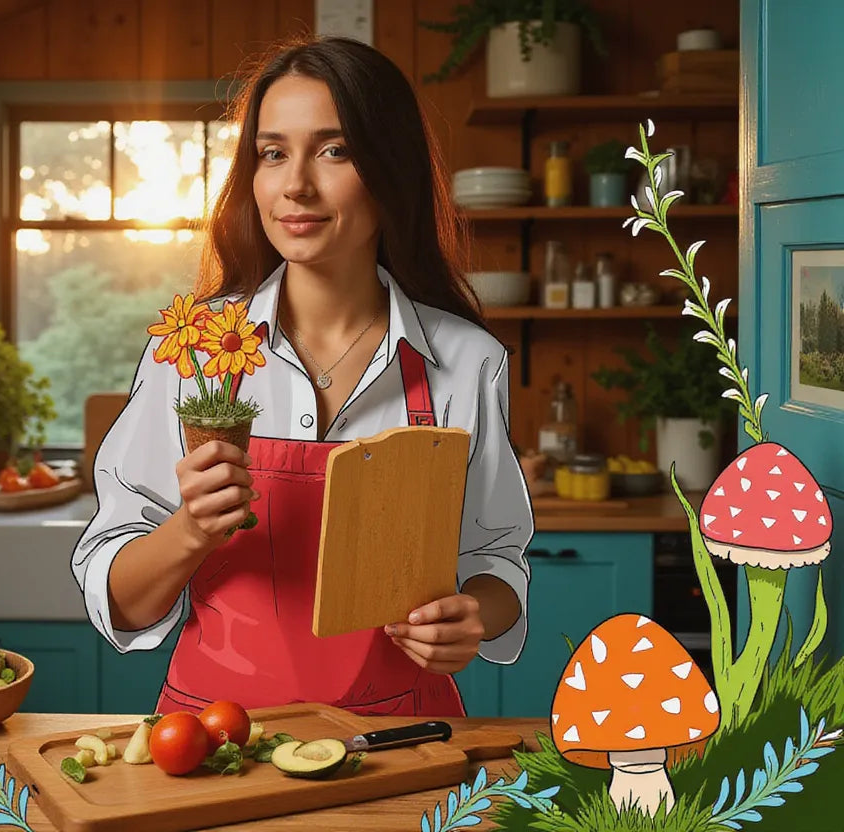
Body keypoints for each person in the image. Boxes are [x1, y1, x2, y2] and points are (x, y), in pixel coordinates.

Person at [71, 34, 534, 718]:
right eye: (273, 152)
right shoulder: (194, 350)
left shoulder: (466, 361)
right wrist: (191, 531)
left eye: (334, 149)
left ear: (389, 169)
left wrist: (473, 616)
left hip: (401, 743)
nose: (296, 184)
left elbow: (497, 561)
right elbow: (120, 600)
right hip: (213, 743)